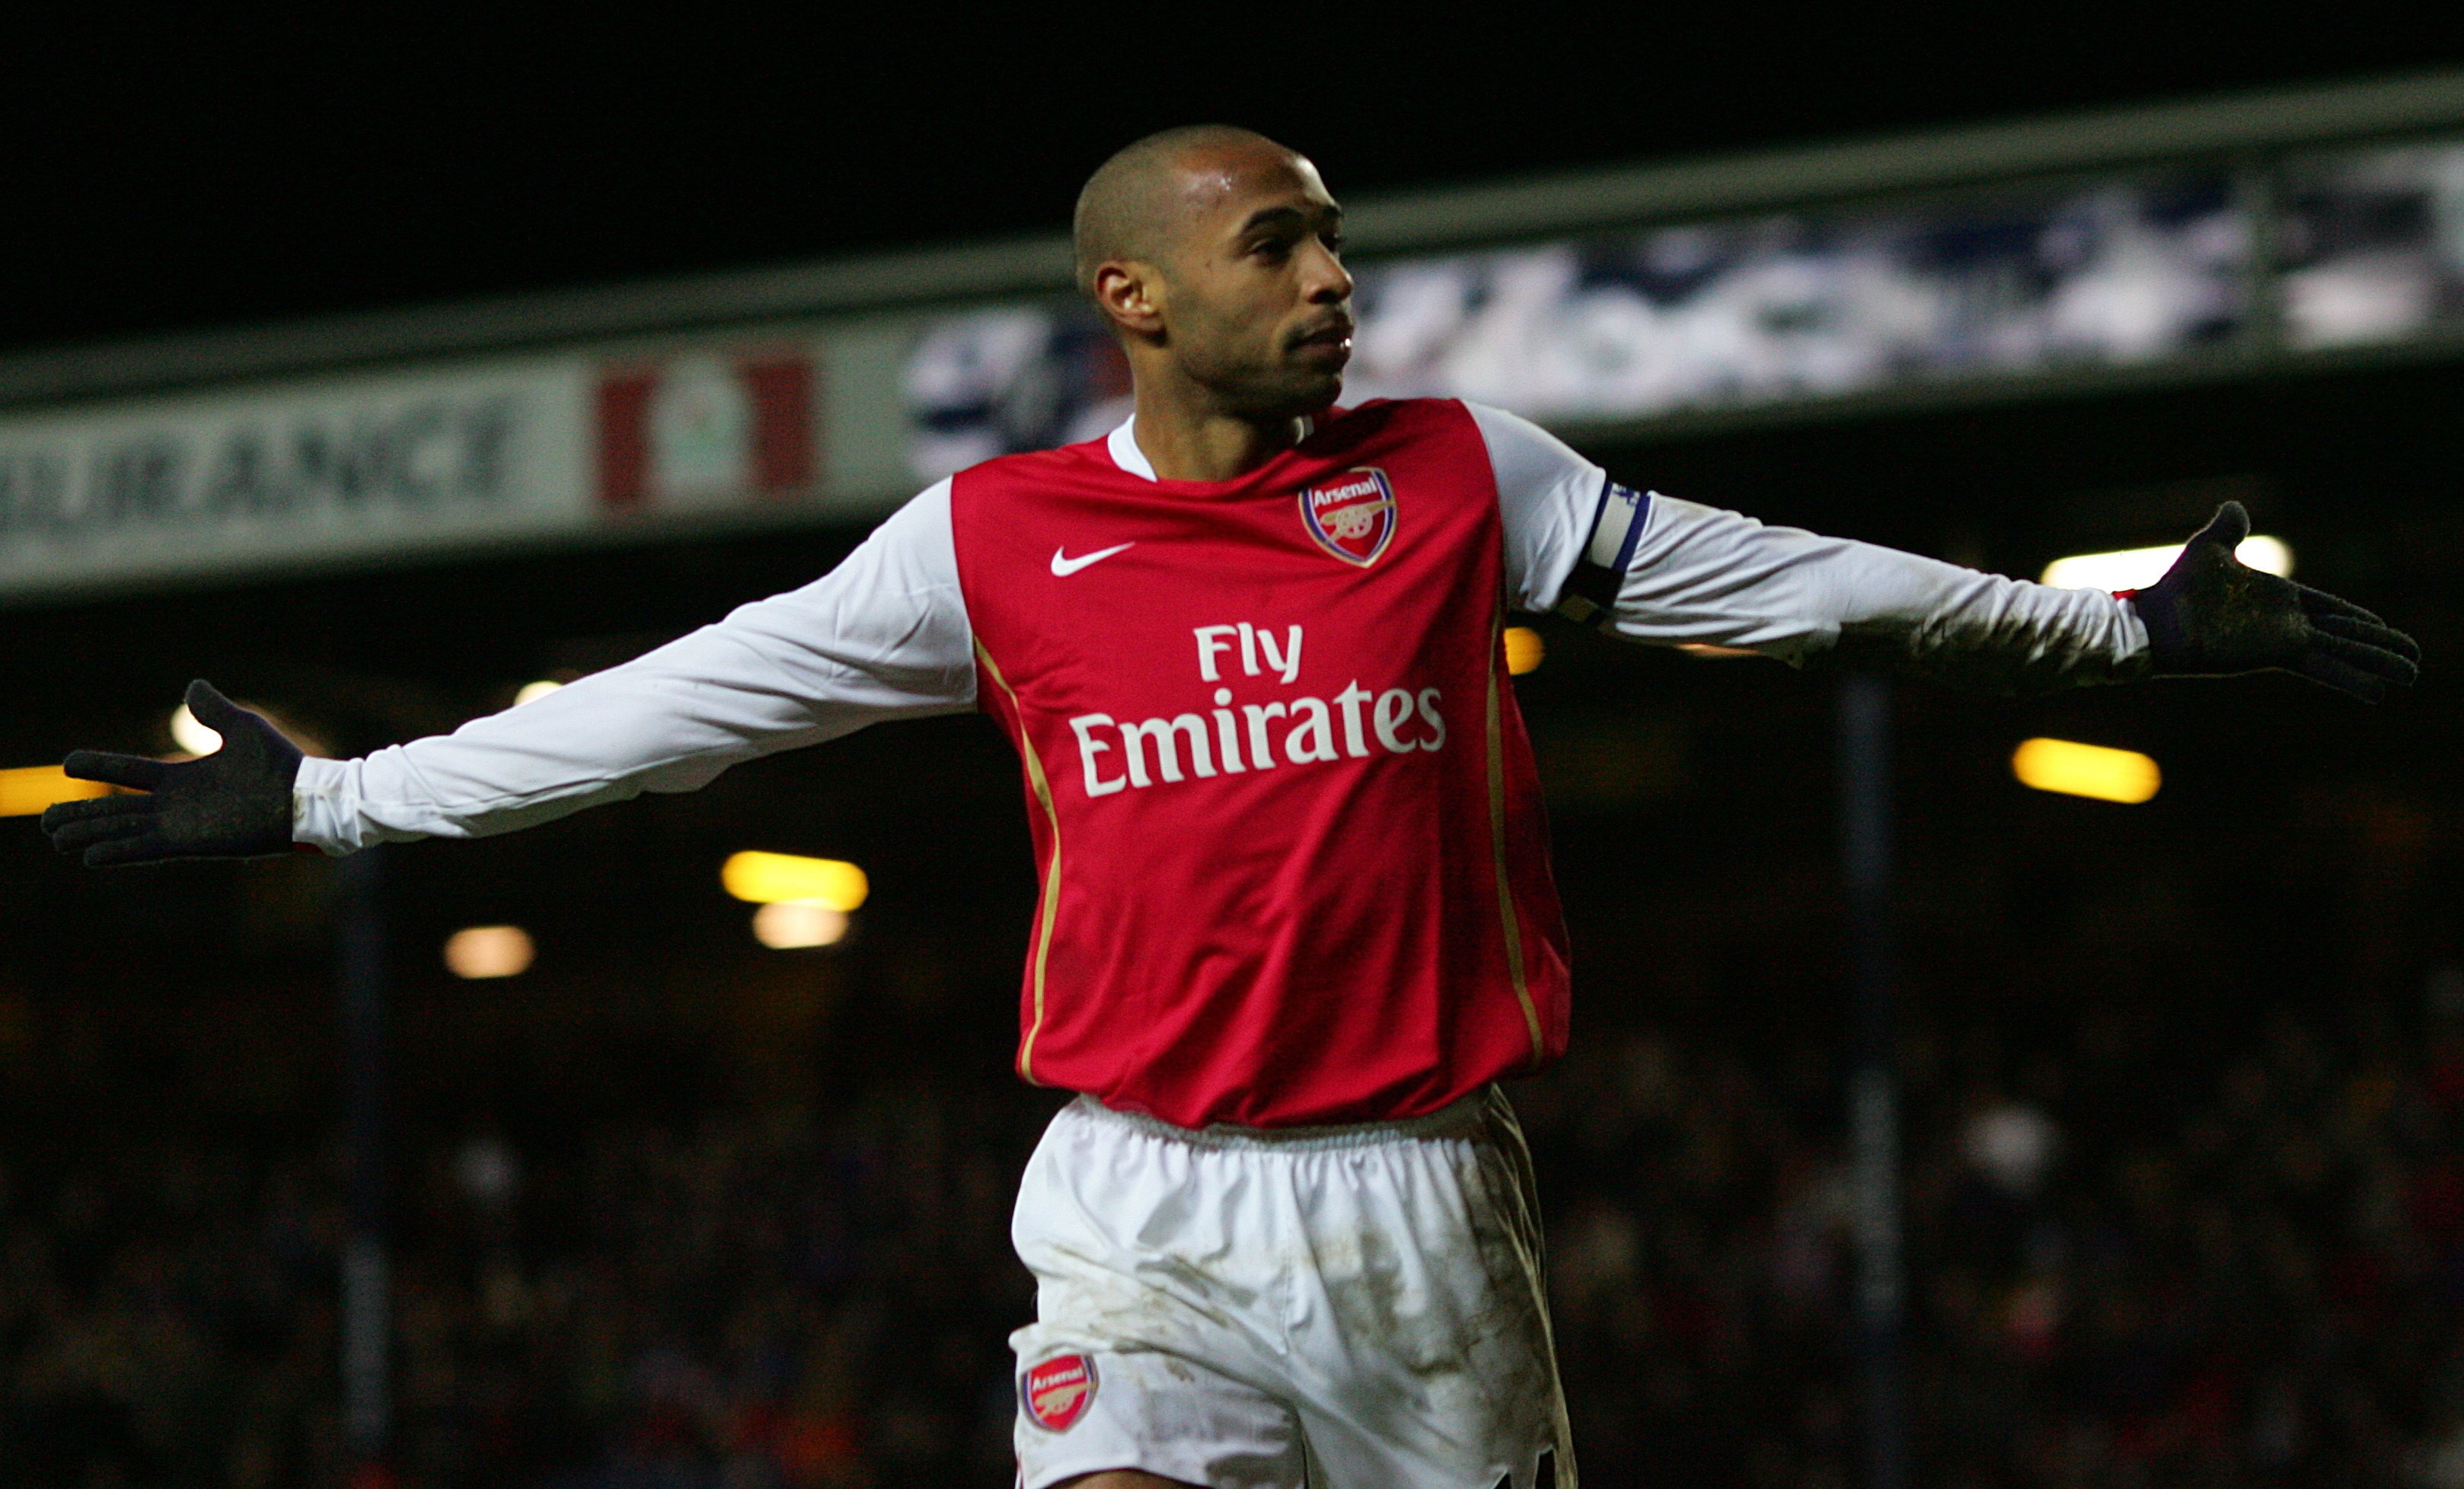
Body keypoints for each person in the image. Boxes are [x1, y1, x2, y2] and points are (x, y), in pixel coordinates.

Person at [43, 126, 2418, 1489]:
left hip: (1424, 1208)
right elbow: (679, 710)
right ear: (1137, 298)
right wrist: (336, 808)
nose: (1332, 277)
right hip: (1138, 1202)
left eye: (1331, 234)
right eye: (1274, 242)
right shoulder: (990, 543)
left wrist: (2111, 637)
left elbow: (1781, 588)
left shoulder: (1465, 477)